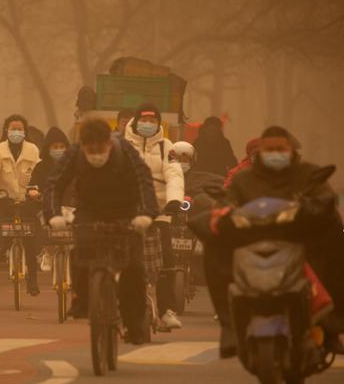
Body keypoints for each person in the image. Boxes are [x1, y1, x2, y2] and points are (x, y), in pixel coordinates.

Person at [197, 126, 344, 358]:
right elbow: (228, 201)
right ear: (259, 152)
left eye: (280, 149)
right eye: (269, 150)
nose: (275, 153)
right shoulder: (243, 178)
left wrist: (310, 209)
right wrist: (223, 215)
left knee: (336, 239)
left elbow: (324, 199)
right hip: (253, 238)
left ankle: (331, 325)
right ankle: (229, 327)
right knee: (214, 241)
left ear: (291, 149)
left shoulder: (308, 174)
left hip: (300, 240)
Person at [44, 118, 159, 344]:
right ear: (82, 146)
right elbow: (54, 184)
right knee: (80, 251)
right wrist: (52, 215)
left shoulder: (125, 151)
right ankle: (82, 298)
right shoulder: (74, 153)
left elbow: (144, 180)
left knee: (133, 269)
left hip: (127, 213)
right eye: (90, 150)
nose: (96, 154)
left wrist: (147, 214)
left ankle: (134, 324)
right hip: (90, 211)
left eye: (100, 148)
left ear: (109, 143)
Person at [125, 102, 185, 330]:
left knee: (167, 259)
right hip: (128, 211)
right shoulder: (121, 146)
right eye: (144, 120)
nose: (148, 124)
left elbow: (175, 174)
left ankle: (167, 310)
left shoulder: (166, 147)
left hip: (159, 211)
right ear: (136, 120)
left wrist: (174, 201)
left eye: (153, 121)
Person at [0, 115, 41, 294]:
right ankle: (1, 247)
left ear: (25, 131)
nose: (16, 132)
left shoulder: (32, 150)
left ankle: (33, 281)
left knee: (29, 241)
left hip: (28, 198)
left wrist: (35, 190)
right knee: (5, 224)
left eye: (20, 128)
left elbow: (38, 172)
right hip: (6, 197)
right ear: (6, 130)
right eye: (13, 128)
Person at [29, 127, 71, 271]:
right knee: (47, 228)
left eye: (62, 147)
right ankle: (48, 252)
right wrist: (33, 192)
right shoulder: (40, 167)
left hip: (70, 207)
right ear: (48, 148)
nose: (59, 150)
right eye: (55, 147)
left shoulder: (73, 165)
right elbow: (32, 185)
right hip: (47, 206)